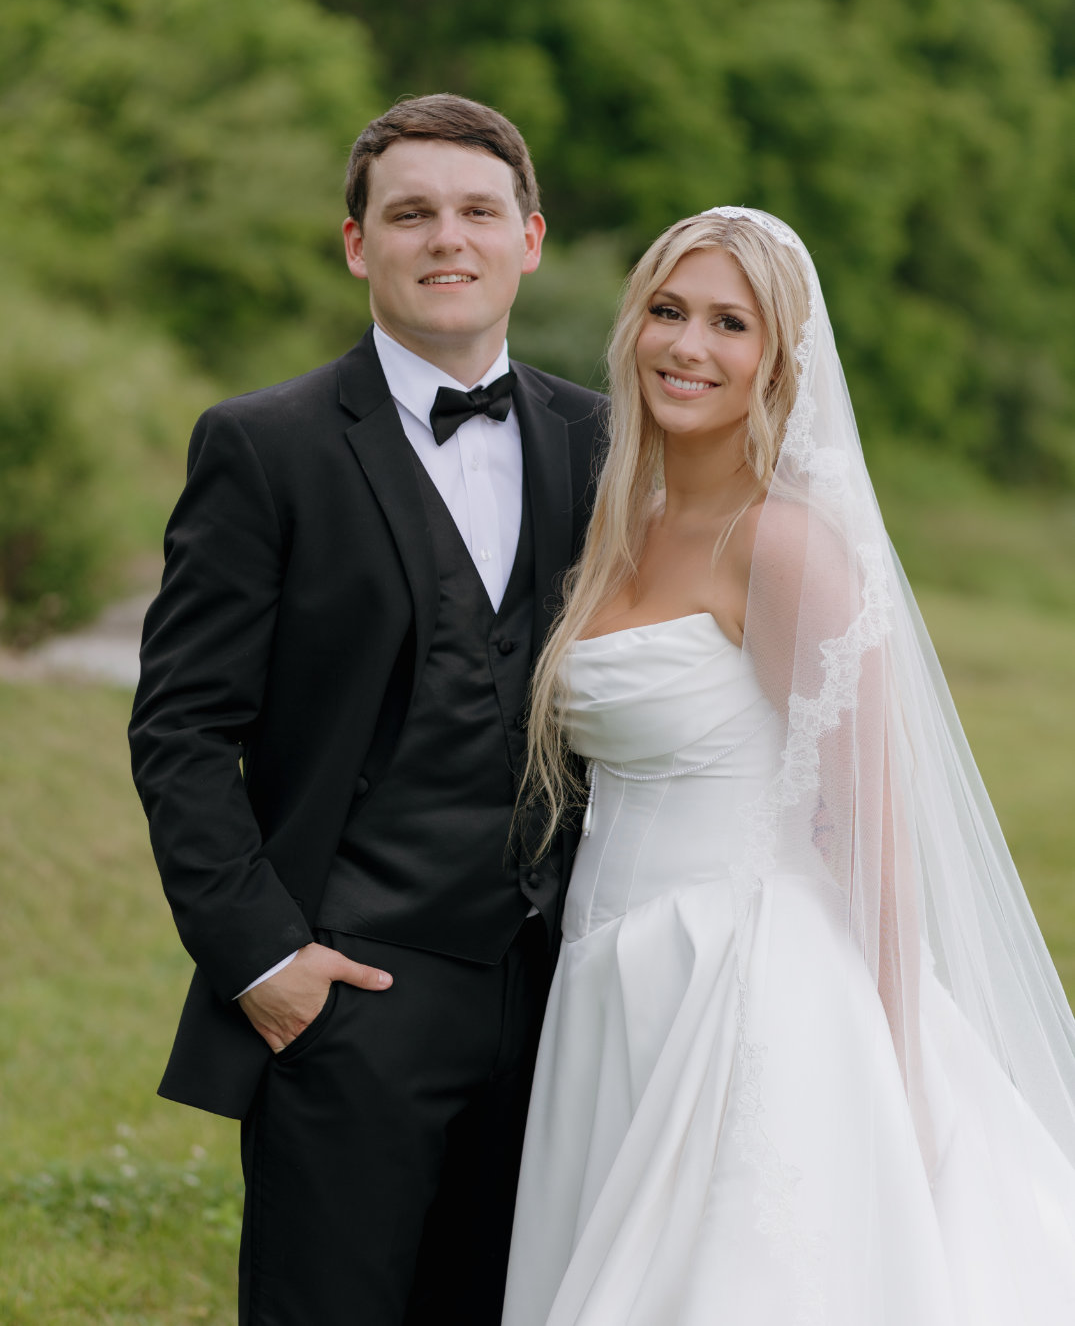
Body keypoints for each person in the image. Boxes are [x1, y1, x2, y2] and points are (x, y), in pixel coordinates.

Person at [501, 206, 1075, 1325]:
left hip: (745, 980)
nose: (687, 346)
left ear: (780, 360)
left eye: (730, 323)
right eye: (667, 311)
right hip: (612, 977)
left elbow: (871, 830)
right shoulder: (632, 520)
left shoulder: (785, 545)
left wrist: (896, 1064)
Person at [128, 94, 607, 1326]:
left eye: (475, 211)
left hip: (565, 1006)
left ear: (529, 237)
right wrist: (268, 961)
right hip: (350, 996)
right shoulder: (263, 445)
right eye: (409, 213)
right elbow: (180, 730)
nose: (445, 237)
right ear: (358, 244)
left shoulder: (605, 443)